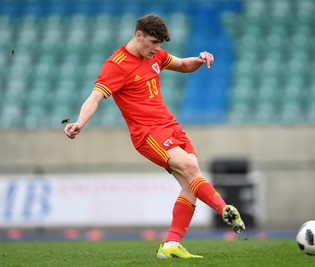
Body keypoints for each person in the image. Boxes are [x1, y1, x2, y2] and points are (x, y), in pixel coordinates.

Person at [64, 14, 245, 259]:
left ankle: (170, 245)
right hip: (147, 134)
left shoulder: (155, 55)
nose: (157, 49)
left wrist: (200, 60)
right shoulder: (116, 65)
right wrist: (79, 123)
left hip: (170, 125)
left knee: (190, 183)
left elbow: (182, 65)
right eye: (153, 42)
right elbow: (95, 96)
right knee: (191, 166)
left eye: (159, 45)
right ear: (139, 36)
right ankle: (225, 209)